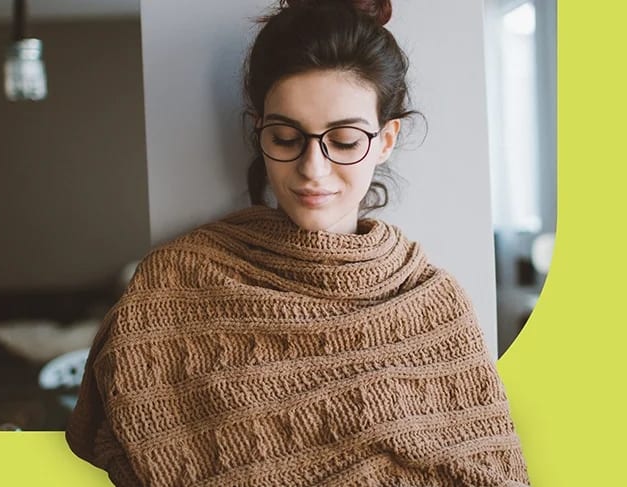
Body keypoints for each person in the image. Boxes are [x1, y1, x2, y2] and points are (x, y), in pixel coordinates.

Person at [66, 0, 530, 485]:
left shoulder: (435, 303)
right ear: (258, 130)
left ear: (386, 139)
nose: (313, 169)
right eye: (287, 138)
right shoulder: (176, 282)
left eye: (345, 140)